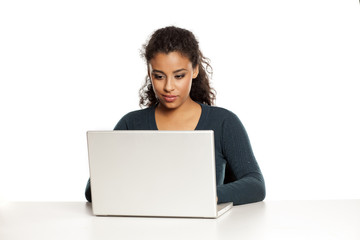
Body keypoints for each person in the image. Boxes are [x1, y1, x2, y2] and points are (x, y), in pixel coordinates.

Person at [85, 26, 265, 205]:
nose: (168, 87)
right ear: (149, 73)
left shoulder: (223, 122)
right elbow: (93, 188)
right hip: (142, 227)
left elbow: (255, 184)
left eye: (179, 76)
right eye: (159, 76)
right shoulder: (131, 123)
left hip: (204, 230)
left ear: (194, 70)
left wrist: (206, 195)